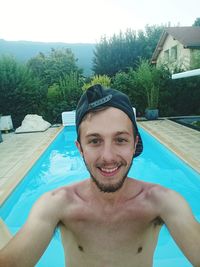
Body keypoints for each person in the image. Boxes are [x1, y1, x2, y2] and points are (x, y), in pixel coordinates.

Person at [0, 84, 199, 267]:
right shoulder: (57, 204)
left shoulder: (163, 202)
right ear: (80, 148)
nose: (108, 157)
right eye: (95, 141)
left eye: (120, 139)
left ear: (134, 144)